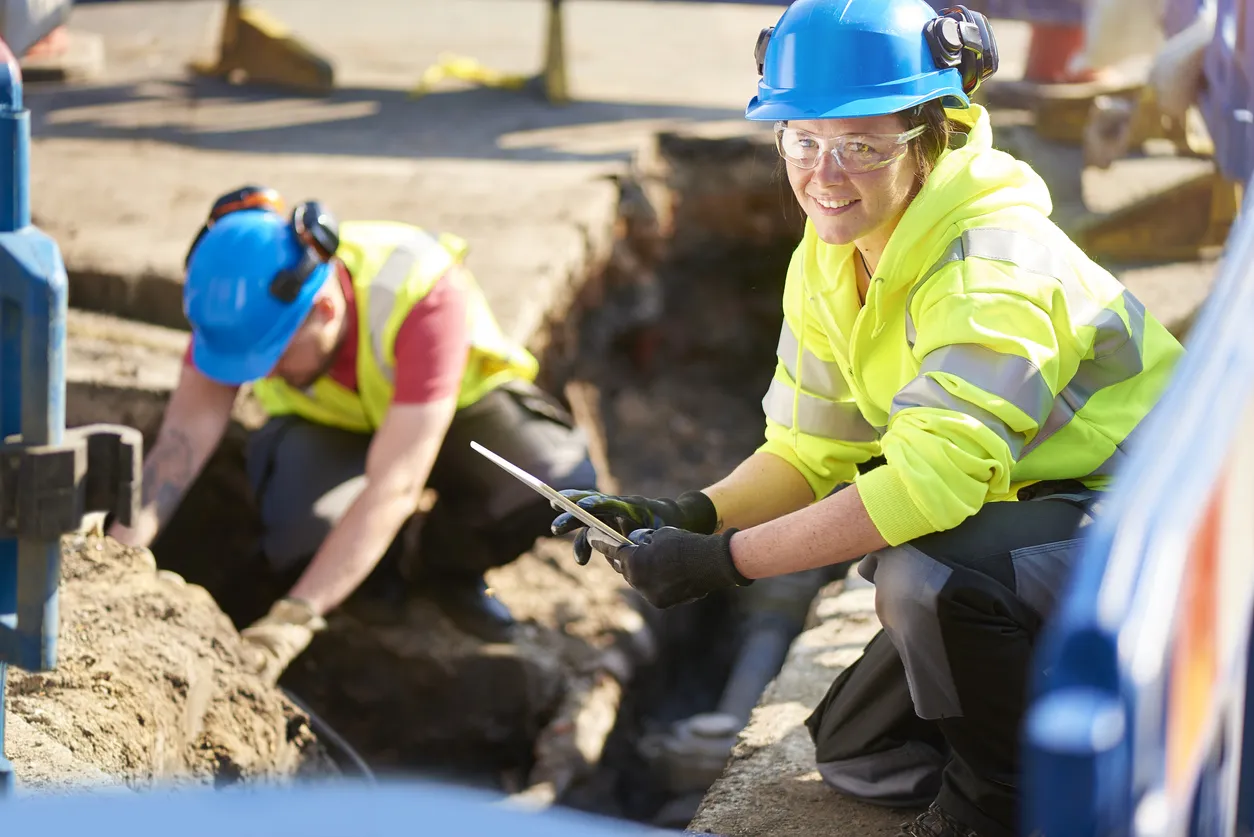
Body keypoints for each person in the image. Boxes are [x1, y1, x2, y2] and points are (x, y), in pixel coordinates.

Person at [550, 2, 1185, 836]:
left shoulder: (990, 266)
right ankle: (1063, 712)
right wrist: (689, 513)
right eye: (802, 140)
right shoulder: (833, 251)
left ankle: (1007, 809)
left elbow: (930, 487)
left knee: (928, 576)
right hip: (1041, 524)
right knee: (860, 756)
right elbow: (813, 445)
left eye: (862, 145)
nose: (825, 173)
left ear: (932, 138)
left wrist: (725, 561)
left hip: (1162, 526)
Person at [109, 185, 598, 681]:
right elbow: (181, 441)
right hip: (331, 427)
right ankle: (370, 583)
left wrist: (293, 618)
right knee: (301, 527)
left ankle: (440, 568)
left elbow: (395, 485)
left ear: (322, 310)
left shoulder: (420, 290)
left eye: (271, 359)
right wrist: (114, 559)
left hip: (452, 418)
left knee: (551, 482)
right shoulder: (239, 310)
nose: (263, 375)